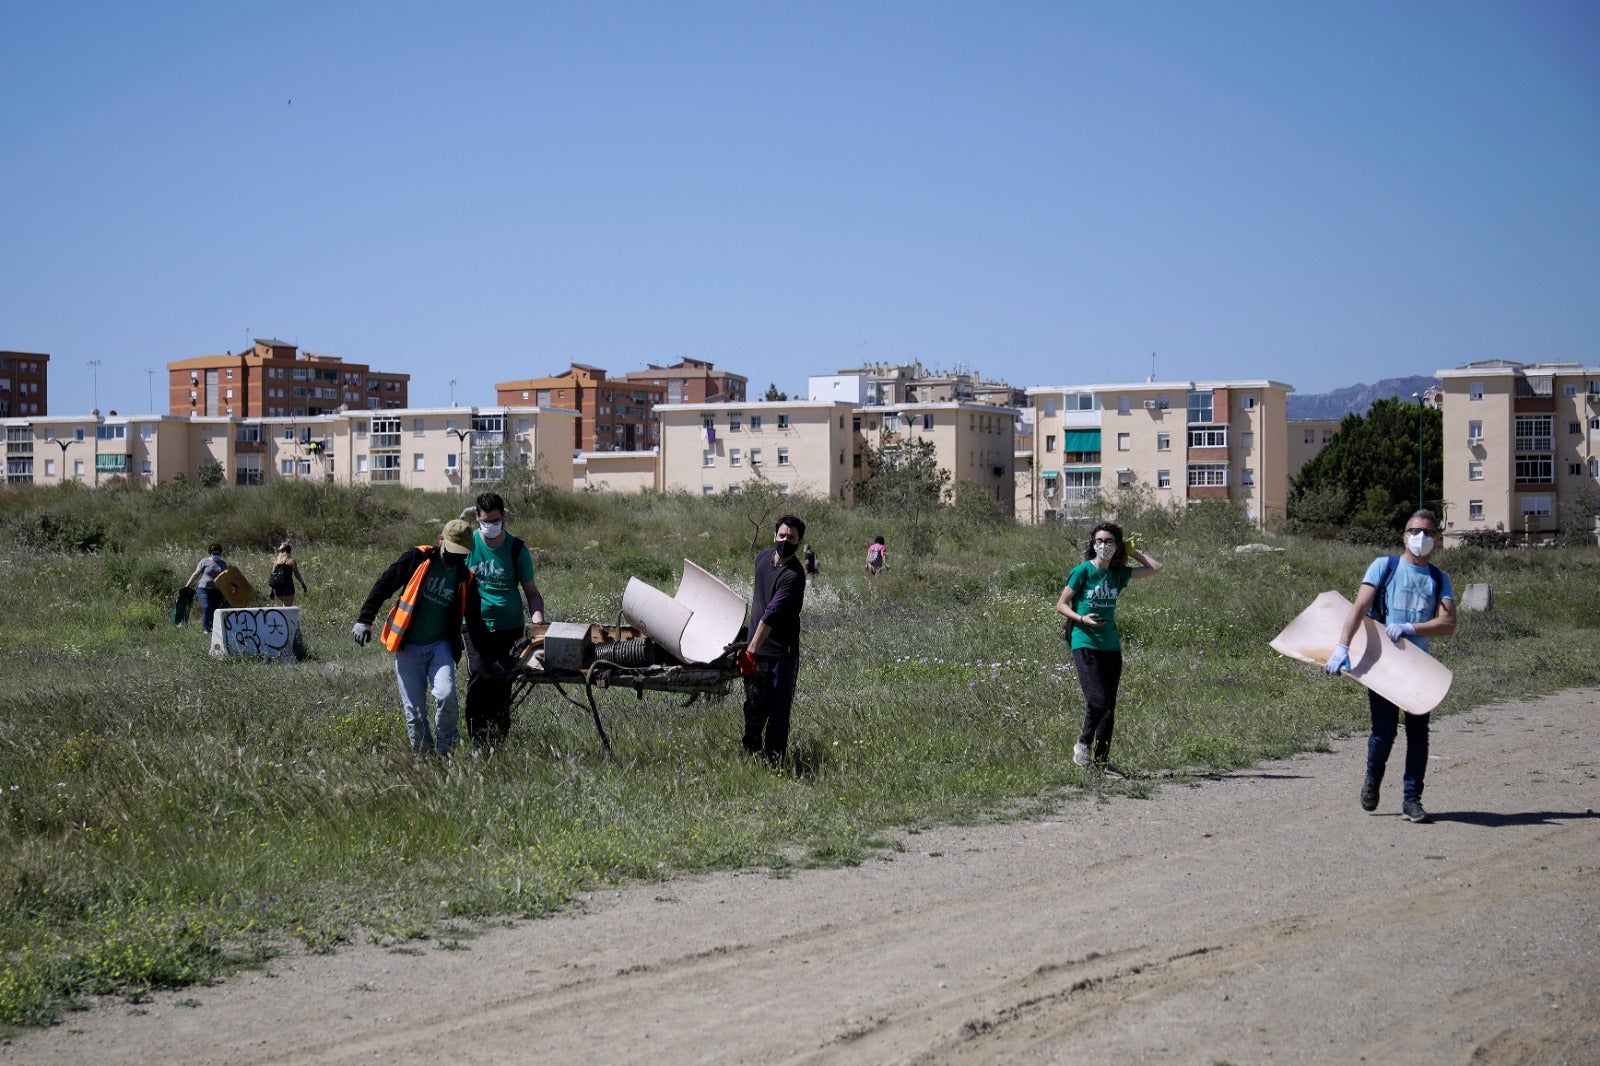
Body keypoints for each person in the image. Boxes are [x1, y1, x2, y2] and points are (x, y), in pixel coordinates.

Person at [1325, 509, 1456, 823]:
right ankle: (1373, 778)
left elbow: (1448, 623)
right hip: (1382, 663)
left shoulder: (1439, 578)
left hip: (1418, 666)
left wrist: (1413, 628)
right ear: (1404, 535)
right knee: (1383, 733)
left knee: (1418, 735)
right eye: (1415, 531)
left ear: (1437, 540)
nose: (1420, 538)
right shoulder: (1385, 566)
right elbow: (1359, 607)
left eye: (1427, 533)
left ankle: (1412, 800)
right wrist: (1342, 646)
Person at [352, 519, 492, 758]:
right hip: (409, 646)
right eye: (452, 552)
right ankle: (425, 759)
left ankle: (446, 751)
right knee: (414, 712)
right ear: (441, 541)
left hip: (441, 647)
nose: (454, 560)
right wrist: (365, 619)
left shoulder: (465, 579)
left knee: (447, 696)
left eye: (462, 555)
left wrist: (491, 658)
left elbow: (476, 623)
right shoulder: (417, 558)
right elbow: (385, 584)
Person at [1054, 523, 1162, 775]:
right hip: (1084, 641)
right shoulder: (1082, 571)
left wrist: (1133, 551)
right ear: (1092, 544)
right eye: (1099, 541)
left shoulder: (1118, 574)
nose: (1103, 545)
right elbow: (1061, 604)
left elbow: (1155, 568)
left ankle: (1102, 762)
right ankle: (1083, 743)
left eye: (1110, 541)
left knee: (1109, 705)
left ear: (1117, 546)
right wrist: (1081, 619)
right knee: (1098, 700)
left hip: (1110, 645)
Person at [464, 491, 546, 751]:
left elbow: (532, 594)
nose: (491, 525)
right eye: (486, 520)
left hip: (509, 628)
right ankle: (477, 741)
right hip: (475, 626)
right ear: (477, 517)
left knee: (502, 683)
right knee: (479, 675)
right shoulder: (468, 545)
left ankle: (497, 742)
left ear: (503, 517)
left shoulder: (517, 549)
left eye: (496, 520)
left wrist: (538, 626)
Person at [738, 515, 808, 766]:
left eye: (791, 538)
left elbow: (772, 614)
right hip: (756, 647)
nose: (785, 541)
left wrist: (750, 651)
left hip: (782, 653)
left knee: (779, 709)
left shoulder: (794, 576)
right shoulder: (762, 559)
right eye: (782, 536)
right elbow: (759, 600)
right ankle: (751, 752)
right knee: (755, 704)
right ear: (774, 536)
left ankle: (775, 762)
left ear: (800, 542)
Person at [185, 542, 228, 634]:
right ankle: (205, 628)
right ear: (210, 553)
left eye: (217, 553)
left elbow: (226, 577)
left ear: (220, 553)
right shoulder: (204, 561)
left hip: (217, 590)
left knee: (215, 609)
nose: (215, 555)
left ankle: (214, 628)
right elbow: (196, 574)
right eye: (213, 553)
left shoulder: (223, 564)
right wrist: (187, 586)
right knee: (207, 606)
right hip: (204, 589)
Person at [267, 541, 309, 606]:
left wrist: (272, 590)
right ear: (289, 551)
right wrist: (303, 584)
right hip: (288, 588)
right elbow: (297, 575)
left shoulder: (276, 562)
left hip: (278, 590)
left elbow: (273, 576)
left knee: (285, 607)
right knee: (287, 610)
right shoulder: (291, 561)